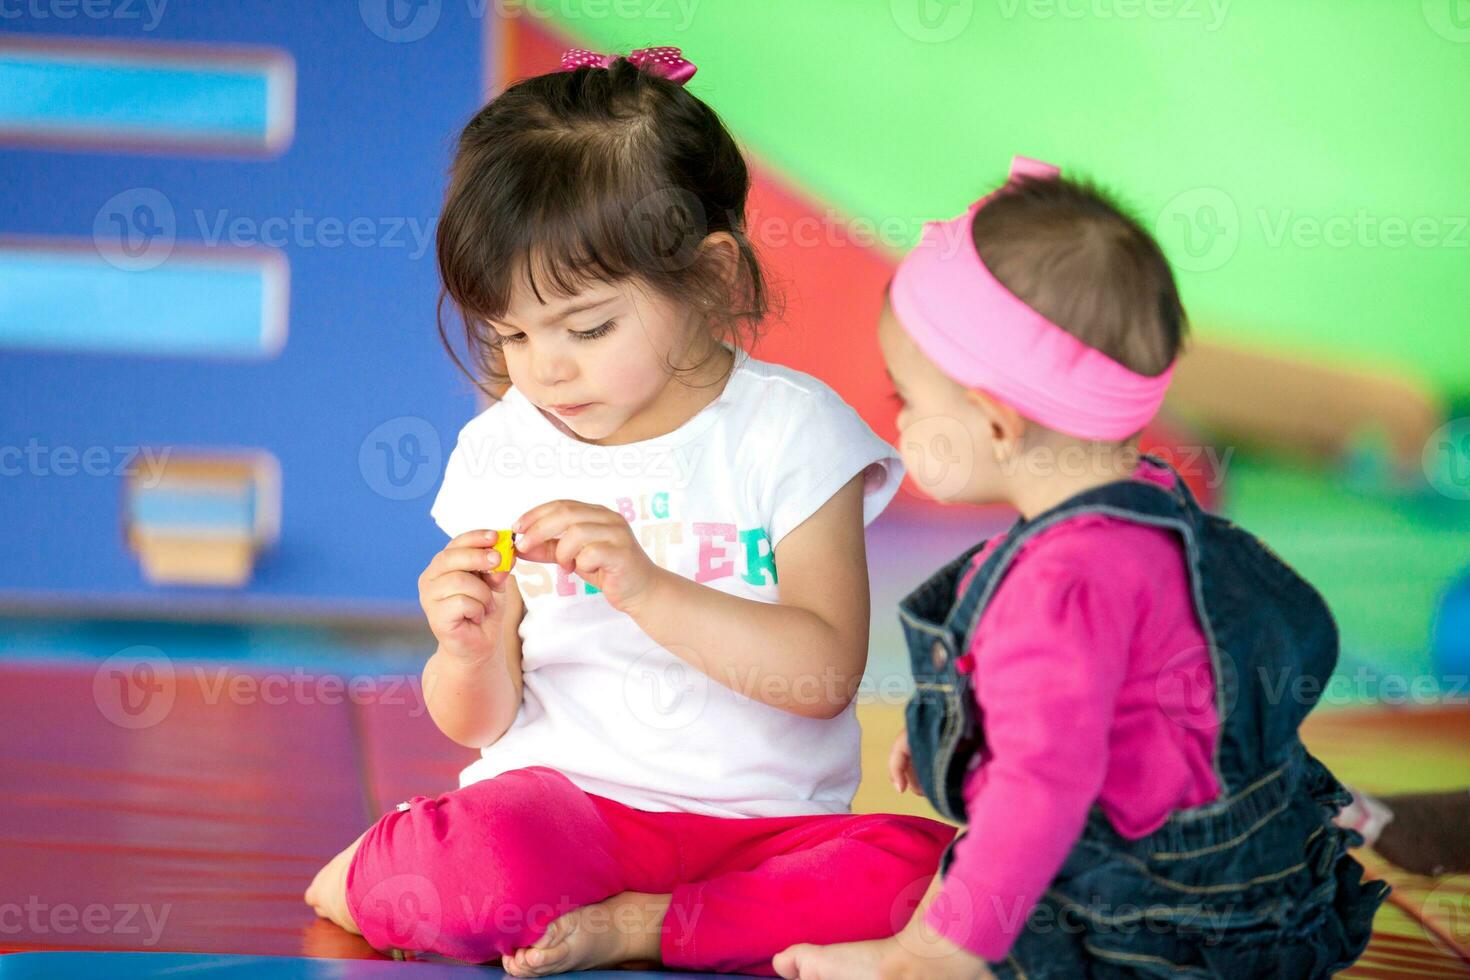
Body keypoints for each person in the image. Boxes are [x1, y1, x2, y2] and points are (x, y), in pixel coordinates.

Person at [303, 47, 954, 976]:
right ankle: (385, 868)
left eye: (588, 327)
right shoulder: (506, 449)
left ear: (712, 277)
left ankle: (648, 925)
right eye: (512, 334)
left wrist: (649, 587)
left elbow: (822, 677)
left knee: (938, 887)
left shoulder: (793, 432)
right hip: (568, 817)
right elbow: (479, 723)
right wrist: (466, 650)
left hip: (768, 837)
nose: (545, 368)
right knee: (476, 868)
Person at [775, 157, 1388, 979]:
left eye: (906, 401)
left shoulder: (1057, 583)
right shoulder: (1147, 504)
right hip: (1264, 878)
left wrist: (932, 952)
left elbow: (1041, 791)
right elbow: (1114, 701)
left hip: (1160, 918)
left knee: (979, 870)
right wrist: (969, 736)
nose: (901, 423)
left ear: (994, 426)